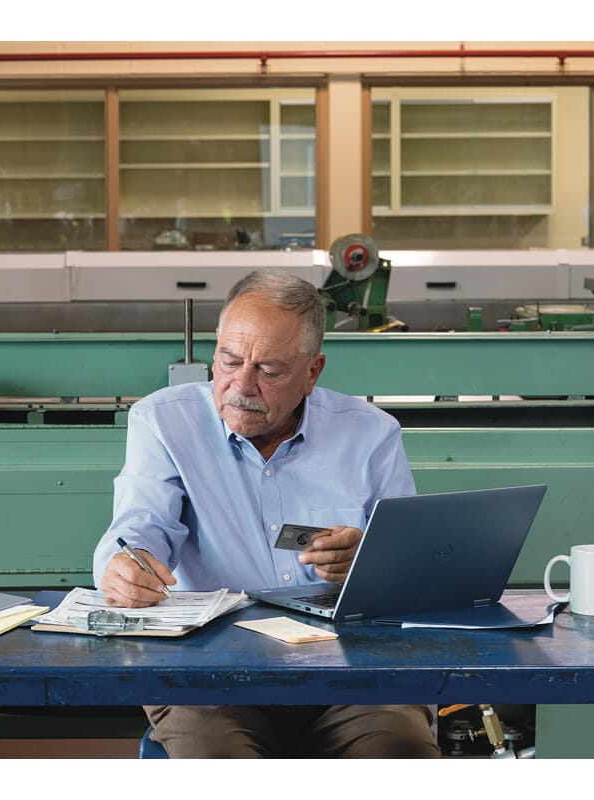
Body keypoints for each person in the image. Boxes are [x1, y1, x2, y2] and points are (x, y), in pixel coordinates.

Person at [92, 269, 440, 758]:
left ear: (313, 372)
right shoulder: (164, 422)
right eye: (229, 361)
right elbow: (140, 525)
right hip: (207, 674)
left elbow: (415, 570)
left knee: (398, 752)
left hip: (351, 670)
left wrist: (370, 558)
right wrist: (126, 565)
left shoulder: (370, 435)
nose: (241, 386)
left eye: (270, 371)